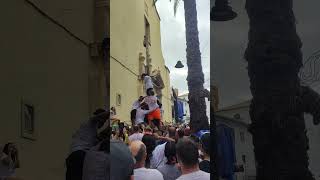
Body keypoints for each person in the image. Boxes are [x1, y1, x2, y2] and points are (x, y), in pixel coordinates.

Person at [66, 109, 109, 180]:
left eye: (104, 122)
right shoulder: (89, 123)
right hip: (79, 155)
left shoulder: (91, 131)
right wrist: (109, 113)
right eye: (103, 121)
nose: (103, 123)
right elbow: (97, 117)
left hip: (78, 156)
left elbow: (102, 136)